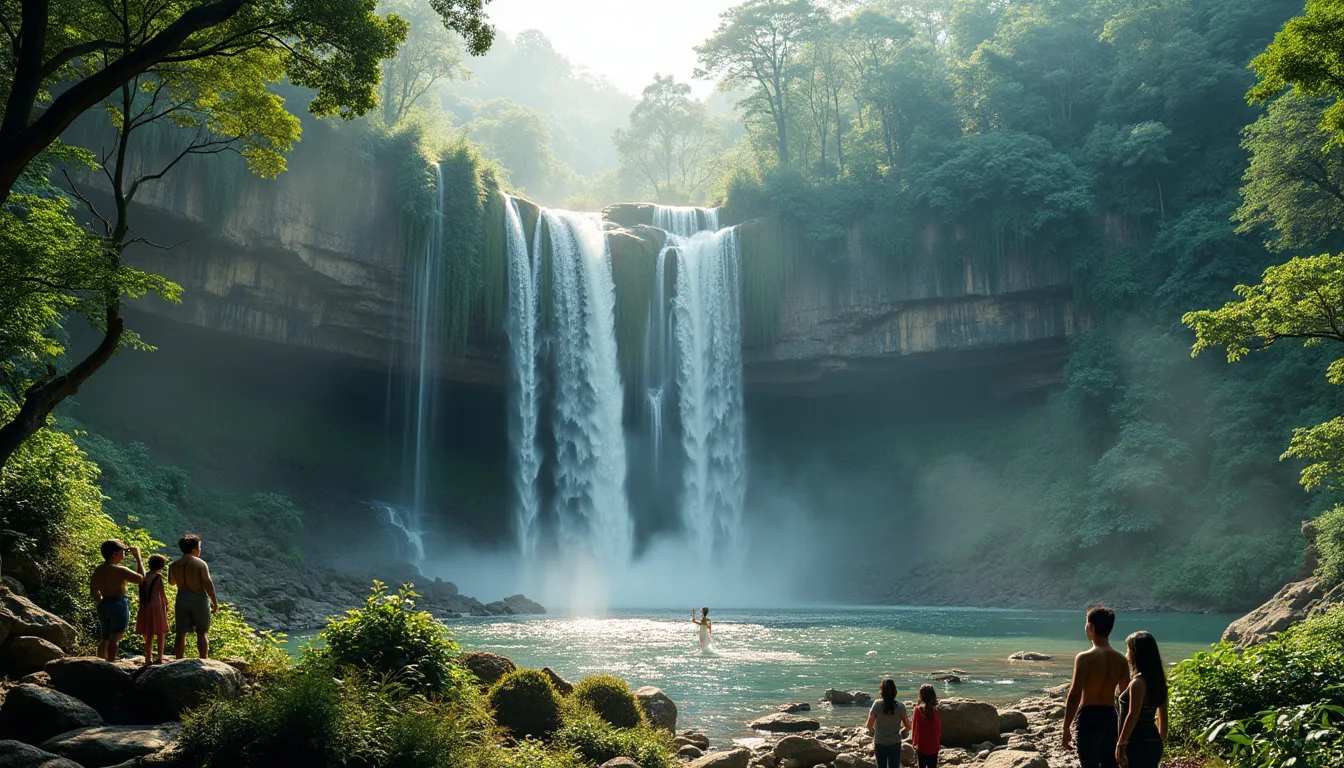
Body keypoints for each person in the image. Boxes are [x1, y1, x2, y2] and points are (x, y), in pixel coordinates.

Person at [1061, 606, 1130, 768]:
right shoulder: (1120, 659)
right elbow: (1126, 697)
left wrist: (1066, 728)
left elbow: (1074, 694)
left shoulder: (1084, 658)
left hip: (1089, 717)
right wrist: (1124, 731)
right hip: (1110, 717)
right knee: (1109, 764)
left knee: (1089, 763)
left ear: (1090, 627)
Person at [1117, 631, 1169, 768]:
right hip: (1153, 741)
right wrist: (1159, 741)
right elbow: (1163, 716)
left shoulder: (1138, 683)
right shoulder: (1159, 681)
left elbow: (1133, 715)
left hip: (1137, 741)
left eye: (1127, 650)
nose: (1126, 655)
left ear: (1135, 651)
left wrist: (1121, 743)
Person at [89, 539, 144, 661]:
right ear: (114, 554)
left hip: (103, 604)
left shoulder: (99, 570)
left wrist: (102, 601)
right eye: (122, 551)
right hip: (118, 603)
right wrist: (138, 558)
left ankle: (100, 662)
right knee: (116, 635)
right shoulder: (120, 570)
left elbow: (94, 592)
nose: (124, 555)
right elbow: (141, 579)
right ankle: (111, 662)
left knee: (106, 637)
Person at [168, 534, 218, 659]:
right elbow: (207, 583)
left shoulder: (173, 565)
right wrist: (214, 602)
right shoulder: (200, 563)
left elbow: (171, 582)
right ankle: (203, 659)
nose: (200, 550)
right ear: (195, 548)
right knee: (202, 632)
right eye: (199, 547)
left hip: (181, 598)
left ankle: (178, 659)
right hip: (198, 598)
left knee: (180, 633)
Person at [867, 678, 911, 768]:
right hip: (895, 742)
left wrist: (875, 732)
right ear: (895, 691)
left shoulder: (877, 705)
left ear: (881, 691)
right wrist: (900, 732)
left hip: (880, 742)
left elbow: (869, 725)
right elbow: (908, 726)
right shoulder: (900, 706)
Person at [136, 554, 170, 666]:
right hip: (157, 607)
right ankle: (160, 657)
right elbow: (162, 593)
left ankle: (148, 659)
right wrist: (167, 603)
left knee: (148, 633)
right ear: (161, 567)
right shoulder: (158, 577)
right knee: (160, 633)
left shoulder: (143, 577)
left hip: (145, 607)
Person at [910, 684, 941, 768]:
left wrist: (914, 743)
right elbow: (938, 729)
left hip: (922, 746)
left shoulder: (917, 710)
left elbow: (914, 728)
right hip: (934, 745)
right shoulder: (935, 710)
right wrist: (938, 742)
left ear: (921, 695)